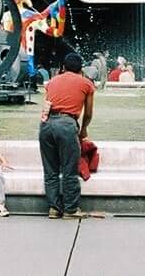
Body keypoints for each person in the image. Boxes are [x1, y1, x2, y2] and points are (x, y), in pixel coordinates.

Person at [38, 51, 96, 219]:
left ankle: (54, 209)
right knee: (70, 169)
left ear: (63, 67)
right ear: (81, 68)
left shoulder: (52, 82)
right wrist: (84, 129)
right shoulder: (86, 84)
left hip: (47, 124)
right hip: (67, 124)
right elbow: (88, 113)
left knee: (50, 170)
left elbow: (47, 104)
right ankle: (71, 210)